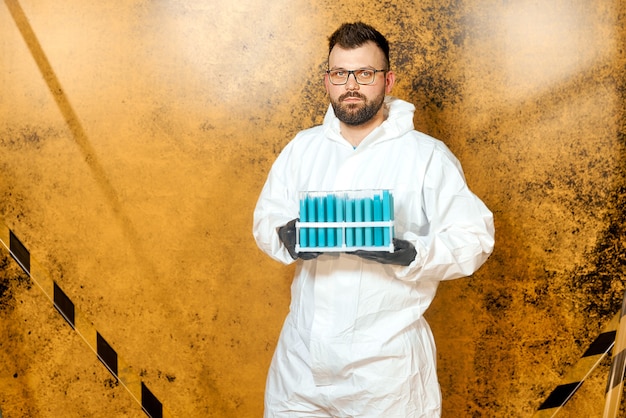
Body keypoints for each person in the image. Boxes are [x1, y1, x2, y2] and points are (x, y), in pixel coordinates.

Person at [253, 21, 495, 418]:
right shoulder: (302, 149)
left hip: (388, 376)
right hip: (300, 369)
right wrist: (287, 236)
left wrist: (412, 253)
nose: (352, 85)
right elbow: (266, 219)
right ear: (328, 80)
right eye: (340, 73)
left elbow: (475, 238)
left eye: (365, 73)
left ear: (388, 80)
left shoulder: (426, 155)